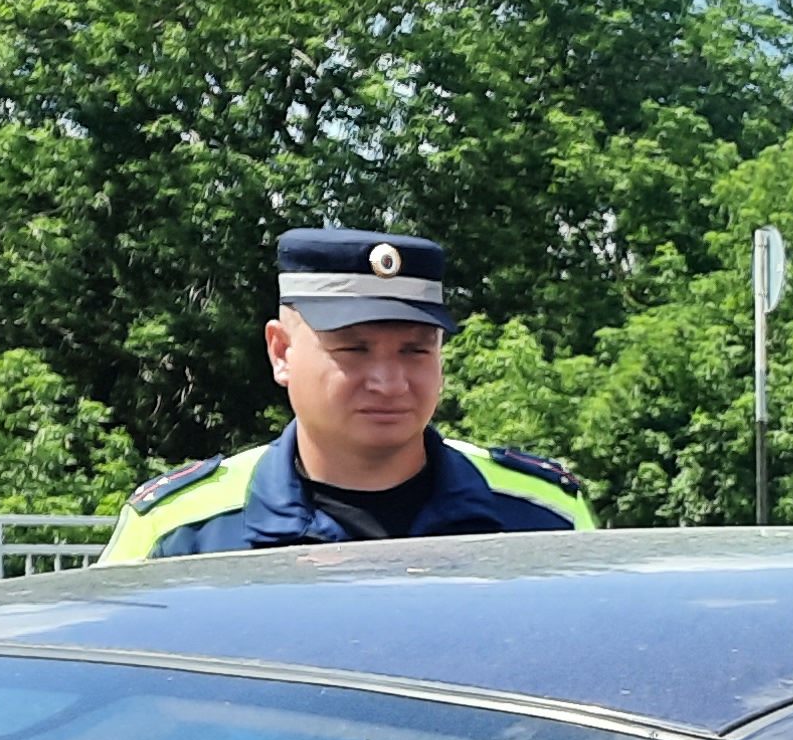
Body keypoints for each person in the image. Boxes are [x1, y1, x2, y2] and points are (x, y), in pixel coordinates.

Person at [99, 228, 591, 559]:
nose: (389, 382)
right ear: (282, 352)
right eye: (353, 349)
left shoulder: (541, 515)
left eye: (415, 352)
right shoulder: (181, 530)